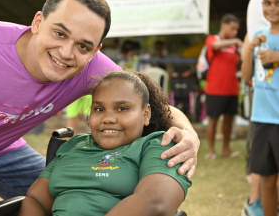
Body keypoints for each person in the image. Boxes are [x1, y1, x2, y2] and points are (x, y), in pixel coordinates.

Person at [0, 0, 199, 216]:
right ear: (37, 23)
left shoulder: (92, 68)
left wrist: (189, 135)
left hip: (6, 150)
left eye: (83, 45)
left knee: (78, 195)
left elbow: (148, 100)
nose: (67, 53)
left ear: (95, 51)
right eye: (59, 33)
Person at [18, 71, 192, 216]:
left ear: (146, 114)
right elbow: (36, 200)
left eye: (122, 108)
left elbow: (157, 204)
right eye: (99, 109)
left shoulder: (157, 145)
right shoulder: (73, 145)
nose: (108, 119)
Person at [241, 0, 279, 216]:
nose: (272, 8)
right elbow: (247, 76)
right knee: (266, 176)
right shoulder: (258, 35)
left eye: (277, 3)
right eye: (268, 3)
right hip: (261, 118)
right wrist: (249, 49)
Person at [204, 13, 243, 160]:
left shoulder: (235, 46)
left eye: (236, 30)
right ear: (224, 26)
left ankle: (226, 149)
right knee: (213, 119)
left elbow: (239, 62)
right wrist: (236, 41)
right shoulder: (213, 39)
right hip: (215, 89)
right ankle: (211, 151)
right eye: (232, 28)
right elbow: (214, 46)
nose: (235, 32)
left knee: (229, 119)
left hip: (232, 89)